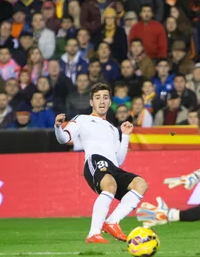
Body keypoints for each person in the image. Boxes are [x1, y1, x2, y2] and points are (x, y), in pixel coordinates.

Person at [54, 83, 149, 243]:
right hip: (95, 160)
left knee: (140, 184)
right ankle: (93, 233)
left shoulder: (113, 129)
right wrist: (58, 126)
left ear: (110, 102)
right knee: (110, 185)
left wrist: (125, 135)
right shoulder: (83, 119)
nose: (102, 101)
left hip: (112, 166)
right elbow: (64, 139)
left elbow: (118, 160)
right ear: (91, 102)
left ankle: (112, 222)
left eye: (105, 98)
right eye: (98, 98)